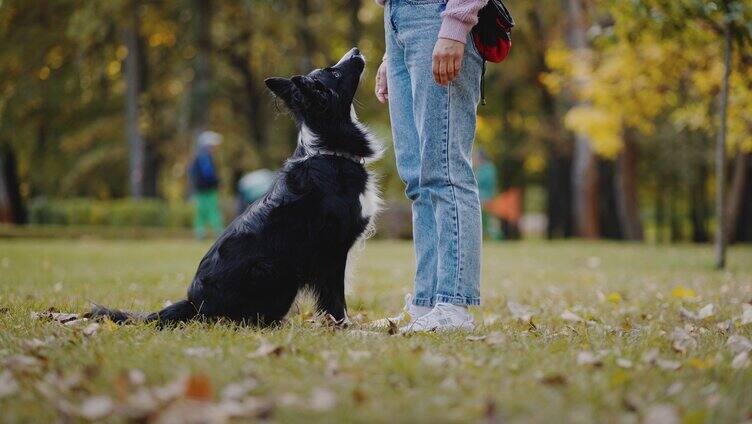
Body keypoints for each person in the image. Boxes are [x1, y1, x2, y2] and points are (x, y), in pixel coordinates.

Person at [375, 0, 488, 332]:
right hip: (397, 19)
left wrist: (455, 25)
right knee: (417, 180)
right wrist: (390, 51)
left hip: (437, 14)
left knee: (445, 171)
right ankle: (426, 304)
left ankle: (454, 304)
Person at [189, 131, 224, 240]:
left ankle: (200, 236)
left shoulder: (199, 157)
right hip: (208, 190)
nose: (214, 148)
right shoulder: (205, 158)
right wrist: (218, 181)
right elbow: (209, 174)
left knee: (201, 214)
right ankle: (219, 234)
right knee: (213, 212)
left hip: (200, 190)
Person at [474, 149, 502, 240]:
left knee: (488, 221)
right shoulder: (489, 167)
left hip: (484, 197)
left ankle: (494, 237)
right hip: (488, 197)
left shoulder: (485, 169)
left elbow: (478, 183)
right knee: (489, 221)